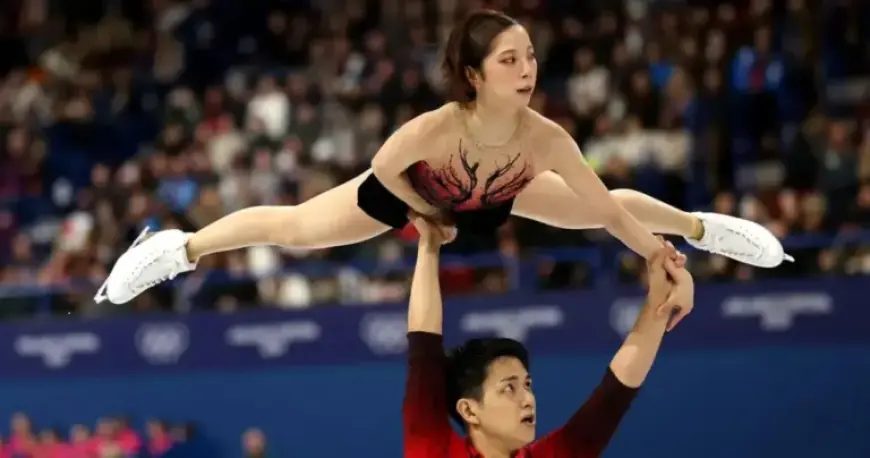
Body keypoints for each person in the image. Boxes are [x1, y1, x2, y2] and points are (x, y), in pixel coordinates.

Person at [95, 9, 789, 305]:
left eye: (530, 56)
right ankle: (175, 249)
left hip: (493, 189)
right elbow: (383, 166)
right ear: (475, 76)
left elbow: (606, 209)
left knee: (593, 205)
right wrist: (424, 216)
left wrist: (655, 252)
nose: (527, 69)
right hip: (412, 189)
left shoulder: (546, 138)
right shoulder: (435, 128)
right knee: (297, 229)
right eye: (510, 60)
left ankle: (703, 228)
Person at [404, 213, 692, 458]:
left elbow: (615, 393)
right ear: (469, 410)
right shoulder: (434, 450)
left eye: (527, 385)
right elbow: (424, 347)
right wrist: (429, 244)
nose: (528, 399)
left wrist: (660, 299)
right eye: (509, 388)